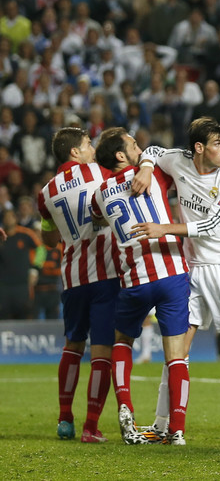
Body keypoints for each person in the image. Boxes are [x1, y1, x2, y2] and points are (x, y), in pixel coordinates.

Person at [129, 117, 220, 445]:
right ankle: (162, 424)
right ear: (198, 148)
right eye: (217, 144)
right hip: (191, 269)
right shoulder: (179, 160)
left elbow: (213, 223)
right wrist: (148, 167)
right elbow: (152, 149)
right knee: (175, 348)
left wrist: (163, 229)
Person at [91, 127, 190, 446]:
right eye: (134, 145)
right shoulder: (155, 176)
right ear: (121, 155)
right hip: (171, 270)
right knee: (176, 355)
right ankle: (176, 429)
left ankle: (125, 407)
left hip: (134, 279)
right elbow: (165, 156)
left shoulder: (100, 194)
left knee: (122, 341)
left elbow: (96, 218)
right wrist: (147, 165)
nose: (140, 148)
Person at [36, 128, 120, 443]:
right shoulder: (101, 171)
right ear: (75, 152)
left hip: (72, 277)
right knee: (102, 351)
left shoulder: (45, 193)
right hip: (106, 275)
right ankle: (92, 427)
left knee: (72, 346)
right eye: (87, 144)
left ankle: (65, 420)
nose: (92, 148)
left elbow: (48, 237)